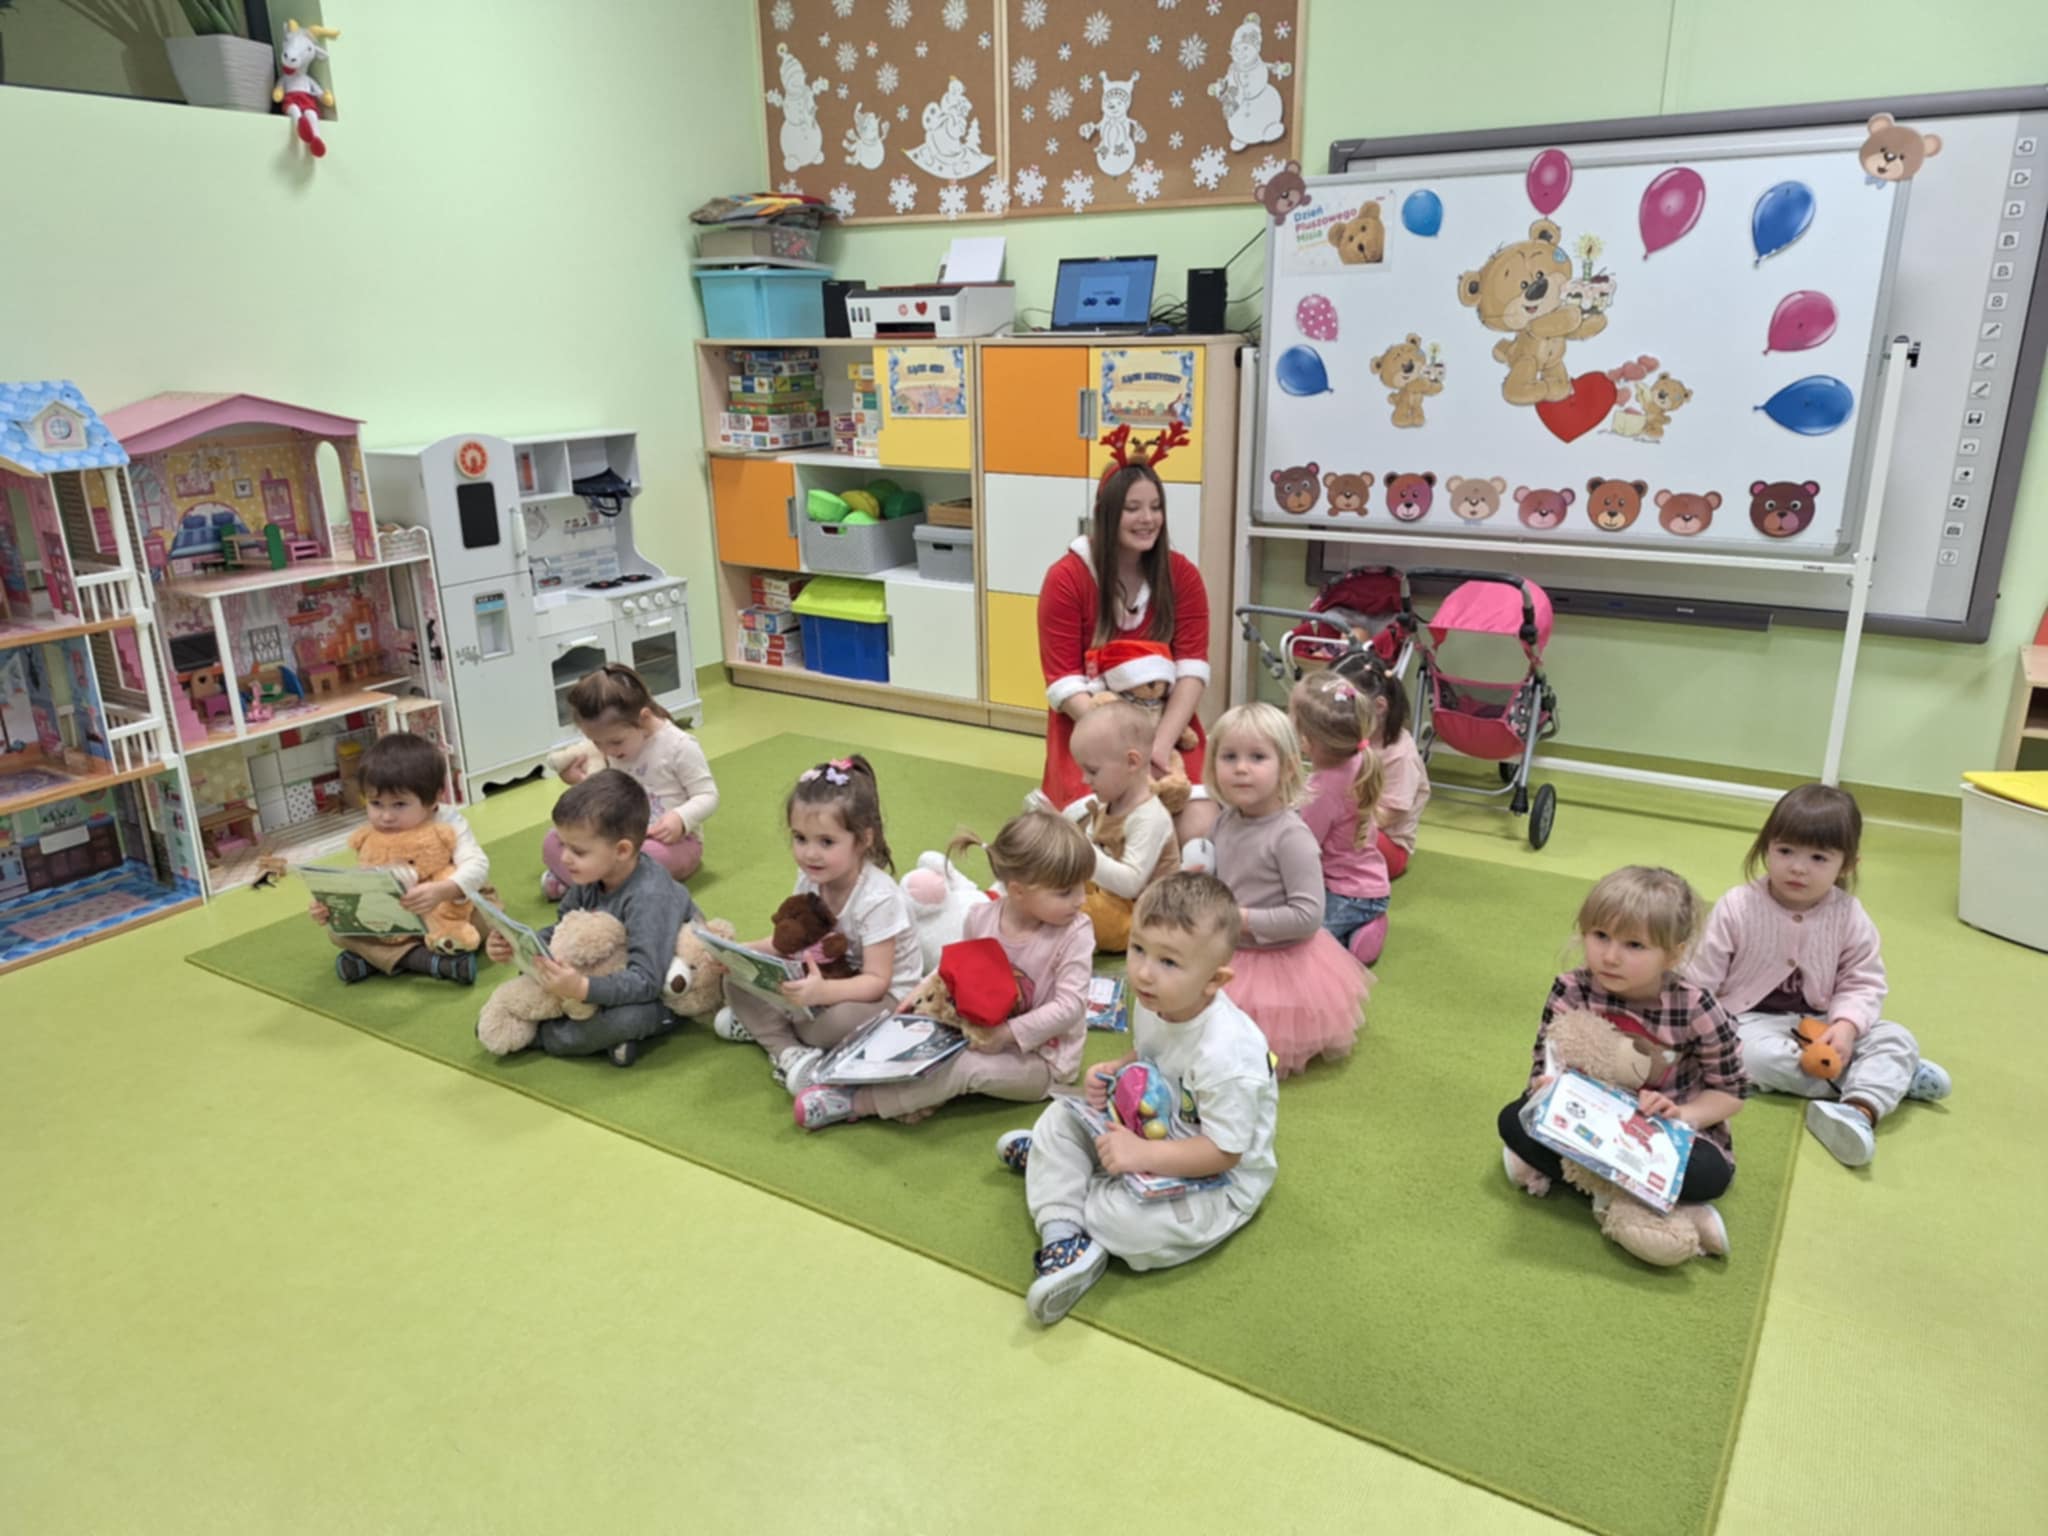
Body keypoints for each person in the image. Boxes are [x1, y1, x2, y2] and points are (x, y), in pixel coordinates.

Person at [995, 873, 1278, 1325]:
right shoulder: (1156, 1000)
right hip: (1150, 1124)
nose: (1144, 971)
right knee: (1057, 1118)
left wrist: (1143, 1155)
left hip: (1220, 1179)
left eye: (1168, 961)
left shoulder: (1229, 1055)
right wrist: (1116, 1068)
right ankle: (1064, 1235)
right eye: (1138, 949)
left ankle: (1063, 1179)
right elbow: (1153, 1055)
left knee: (1124, 1224)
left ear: (1214, 980)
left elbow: (1226, 1153)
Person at [1687, 784, 1951, 1168]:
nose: (1798, 867)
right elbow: (1700, 978)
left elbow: (1863, 982)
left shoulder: (1849, 915)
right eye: (1785, 851)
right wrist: (1691, 1034)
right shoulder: (1738, 906)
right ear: (1765, 848)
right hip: (1748, 1022)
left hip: (1825, 1022)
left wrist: (1846, 1027)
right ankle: (1886, 1078)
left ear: (1847, 865)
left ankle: (1859, 1110)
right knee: (1751, 1059)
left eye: (1818, 858)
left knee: (1897, 1036)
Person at [792, 811, 1096, 1130]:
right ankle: (852, 1076)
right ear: (1019, 891)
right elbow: (957, 969)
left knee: (965, 1067)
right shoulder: (981, 917)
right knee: (913, 1034)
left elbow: (1071, 1006)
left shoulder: (1075, 933)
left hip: (1043, 1061)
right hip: (973, 1029)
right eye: (1066, 892)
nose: (1081, 899)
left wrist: (1005, 1035)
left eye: (1082, 887)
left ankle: (857, 1103)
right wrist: (920, 993)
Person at [1497, 866, 1746, 1249]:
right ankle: (1646, 1204)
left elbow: (1730, 1092)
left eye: (1634, 945)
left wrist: (1681, 1114)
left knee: (1711, 1175)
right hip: (1590, 1121)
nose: (1611, 957)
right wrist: (1547, 1086)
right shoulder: (1572, 988)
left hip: (1662, 1133)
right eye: (1600, 936)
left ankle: (1600, 1191)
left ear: (1673, 953)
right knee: (1514, 1120)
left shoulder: (1696, 1006)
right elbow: (1547, 1061)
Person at [1034, 452, 1216, 862]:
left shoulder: (1181, 574)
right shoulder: (1067, 578)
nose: (1147, 519)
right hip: (1092, 729)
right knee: (1105, 836)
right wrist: (1122, 750)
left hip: (1167, 726)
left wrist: (1157, 746)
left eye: (1155, 507)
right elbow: (1063, 681)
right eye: (1133, 508)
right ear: (1107, 513)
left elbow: (1192, 670)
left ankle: (1183, 900)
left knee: (1198, 828)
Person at [712, 755, 922, 1096]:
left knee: (827, 1026)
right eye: (800, 838)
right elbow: (792, 941)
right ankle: (789, 1051)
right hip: (823, 976)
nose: (810, 854)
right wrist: (739, 952)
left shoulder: (878, 898)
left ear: (863, 839)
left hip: (881, 996)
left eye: (826, 842)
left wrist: (821, 994)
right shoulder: (811, 878)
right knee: (734, 979)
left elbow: (876, 982)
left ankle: (774, 1033)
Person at [486, 769, 699, 1067]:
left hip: (663, 989)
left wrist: (582, 989)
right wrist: (518, 944)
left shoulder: (649, 896)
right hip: (607, 972)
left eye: (577, 851)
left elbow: (647, 982)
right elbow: (563, 931)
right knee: (533, 986)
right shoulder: (591, 877)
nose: (564, 858)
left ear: (621, 850)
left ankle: (543, 1036)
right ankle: (605, 1040)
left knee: (631, 1019)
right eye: (562, 845)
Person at [1207, 702, 1370, 1076]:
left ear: (1288, 767)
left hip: (1280, 959)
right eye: (1229, 757)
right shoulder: (1225, 821)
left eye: (1257, 757)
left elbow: (1308, 916)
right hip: (1227, 946)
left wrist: (1239, 918)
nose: (1241, 768)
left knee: (1251, 1050)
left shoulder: (1291, 836)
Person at [309, 732, 488, 987]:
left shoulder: (449, 821)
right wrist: (332, 907)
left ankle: (377, 960)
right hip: (395, 917)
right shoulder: (373, 833)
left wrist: (444, 889)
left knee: (488, 917)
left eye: (399, 804)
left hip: (447, 907)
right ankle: (428, 961)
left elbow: (477, 865)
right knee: (338, 933)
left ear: (433, 798)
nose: (386, 816)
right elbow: (365, 882)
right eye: (376, 803)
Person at [542, 663, 717, 901]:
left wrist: (680, 818)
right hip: (617, 840)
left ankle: (584, 885)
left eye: (615, 742)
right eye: (597, 742)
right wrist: (582, 783)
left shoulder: (679, 746)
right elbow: (605, 797)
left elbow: (708, 795)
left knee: (645, 859)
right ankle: (599, 885)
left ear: (644, 718)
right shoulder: (612, 746)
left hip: (672, 843)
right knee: (554, 840)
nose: (607, 751)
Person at [1062, 700, 1179, 952]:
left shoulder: (1150, 817)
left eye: (1093, 771)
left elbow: (1130, 884)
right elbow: (1093, 856)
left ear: (1132, 762)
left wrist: (1083, 849)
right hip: (1108, 894)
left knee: (1077, 911)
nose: (1084, 780)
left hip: (1143, 912)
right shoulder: (1107, 804)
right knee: (1051, 883)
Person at [1291, 670, 1391, 964]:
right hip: (1366, 883)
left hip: (1350, 894)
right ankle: (1361, 924)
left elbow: (1303, 845)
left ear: (1306, 740)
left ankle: (1363, 934)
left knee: (1302, 946)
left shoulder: (1324, 788)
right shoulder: (1357, 759)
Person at [1345, 662, 1428, 879]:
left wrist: (1342, 822)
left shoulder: (1400, 755)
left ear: (1380, 707)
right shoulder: (1361, 737)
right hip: (1356, 822)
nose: (1344, 718)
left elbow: (1389, 815)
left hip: (1388, 845)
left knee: (1338, 837)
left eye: (1351, 711)